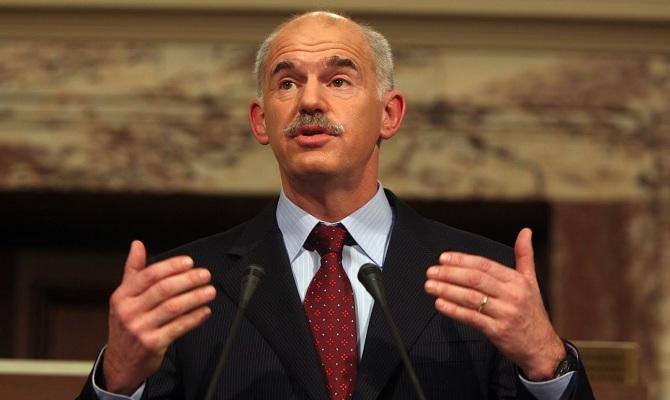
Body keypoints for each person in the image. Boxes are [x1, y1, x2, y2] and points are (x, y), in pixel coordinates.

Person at [78, 11, 594, 400]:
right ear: (261, 121)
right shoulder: (187, 286)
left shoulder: (482, 276)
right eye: (287, 83)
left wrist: (545, 361)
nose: (309, 101)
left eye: (339, 80)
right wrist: (118, 380)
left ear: (389, 115)